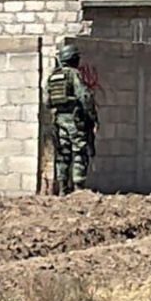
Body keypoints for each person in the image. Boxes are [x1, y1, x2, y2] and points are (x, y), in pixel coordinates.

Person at [45, 43, 98, 195]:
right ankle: (78, 188)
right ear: (73, 58)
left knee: (63, 155)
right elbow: (84, 96)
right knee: (79, 152)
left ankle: (62, 189)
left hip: (58, 120)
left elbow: (47, 101)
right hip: (74, 120)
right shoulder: (73, 74)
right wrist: (92, 116)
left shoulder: (53, 76)